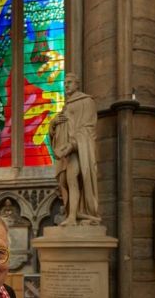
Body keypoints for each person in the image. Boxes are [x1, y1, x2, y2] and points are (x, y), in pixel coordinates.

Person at [49, 73, 101, 226]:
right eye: (65, 83)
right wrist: (53, 123)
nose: (66, 85)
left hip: (77, 150)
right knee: (64, 181)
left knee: (72, 178)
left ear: (77, 85)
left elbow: (88, 128)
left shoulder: (86, 101)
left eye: (70, 82)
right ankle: (73, 213)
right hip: (64, 151)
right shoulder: (66, 105)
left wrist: (71, 145)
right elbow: (59, 127)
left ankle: (73, 217)